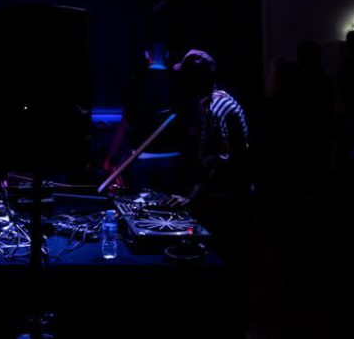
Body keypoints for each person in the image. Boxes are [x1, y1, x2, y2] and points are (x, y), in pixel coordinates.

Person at [171, 49, 250, 263]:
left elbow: (224, 159)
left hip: (228, 198)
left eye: (185, 77)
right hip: (221, 195)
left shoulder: (216, 108)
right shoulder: (210, 102)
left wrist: (193, 196)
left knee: (223, 256)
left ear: (193, 80)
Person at [103, 43, 184, 193]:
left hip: (143, 157)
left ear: (147, 55)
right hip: (174, 157)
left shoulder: (135, 82)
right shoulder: (179, 82)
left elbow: (125, 125)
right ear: (167, 56)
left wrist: (111, 157)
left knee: (141, 208)